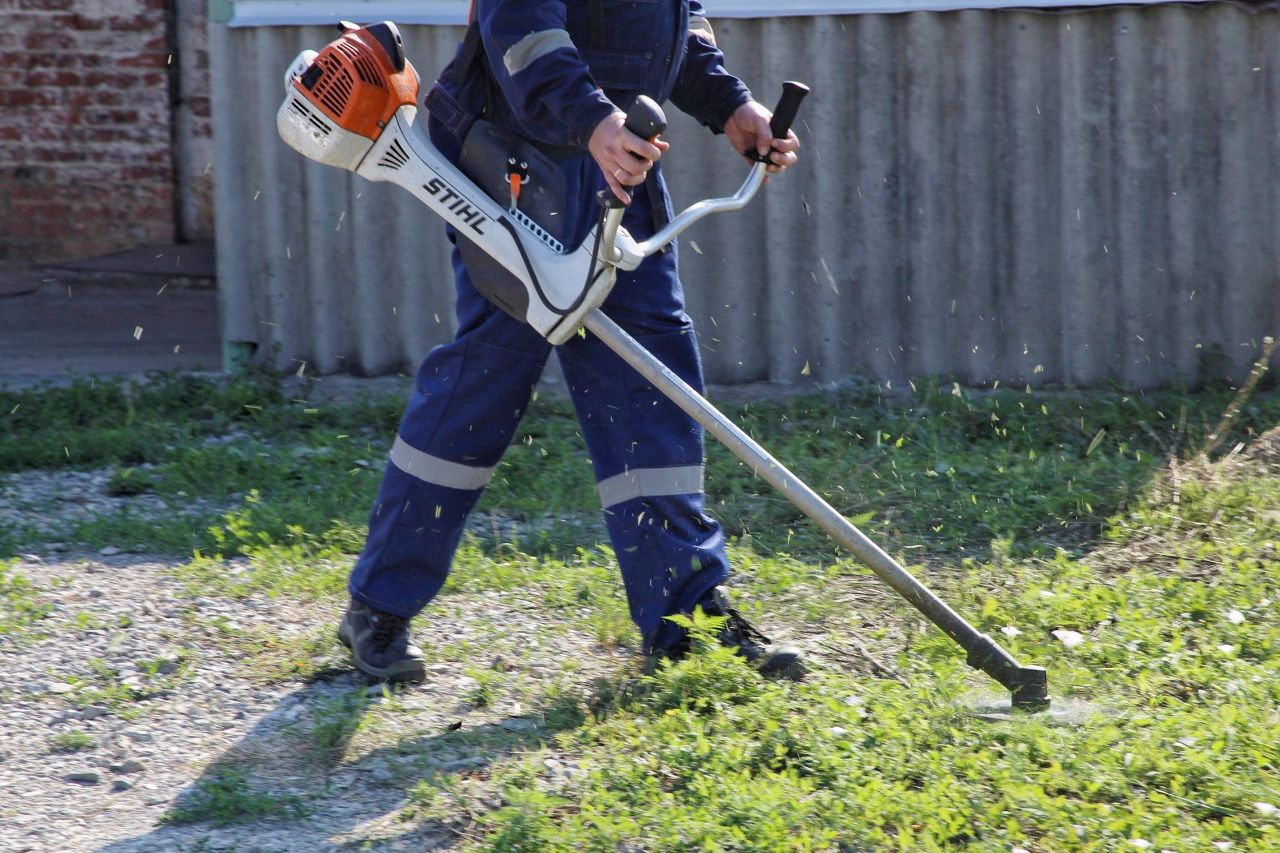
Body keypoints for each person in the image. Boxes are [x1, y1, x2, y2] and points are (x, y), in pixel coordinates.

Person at [338, 0, 805, 683]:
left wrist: (733, 107)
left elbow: (677, 26)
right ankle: (377, 606)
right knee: (483, 385)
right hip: (516, 164)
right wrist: (594, 120)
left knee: (652, 386)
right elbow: (521, 28)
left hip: (615, 167)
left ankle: (686, 616)